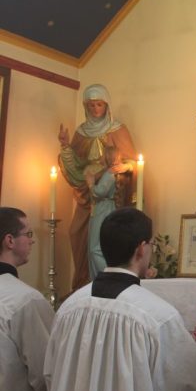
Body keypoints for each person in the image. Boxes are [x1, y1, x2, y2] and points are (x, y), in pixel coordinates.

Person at [44, 208, 196, 391]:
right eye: (151, 245)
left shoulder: (68, 308)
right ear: (141, 249)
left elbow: (52, 375)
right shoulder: (157, 315)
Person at [58, 83, 137, 289]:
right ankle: (85, 282)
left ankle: (107, 282)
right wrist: (66, 146)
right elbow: (76, 165)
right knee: (76, 233)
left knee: (104, 241)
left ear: (107, 105)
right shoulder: (81, 132)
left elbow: (133, 161)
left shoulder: (117, 129)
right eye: (91, 105)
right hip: (88, 194)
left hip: (108, 193)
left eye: (99, 104)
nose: (95, 109)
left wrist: (124, 167)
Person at [0, 207, 54, 391]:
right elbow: (47, 371)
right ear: (10, 241)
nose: (32, 241)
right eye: (28, 234)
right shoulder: (25, 300)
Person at [85, 145, 123, 281]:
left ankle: (105, 278)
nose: (100, 157)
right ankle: (102, 278)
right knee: (97, 247)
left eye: (103, 154)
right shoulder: (109, 172)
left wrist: (90, 184)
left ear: (108, 156)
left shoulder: (110, 173)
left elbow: (100, 192)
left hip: (103, 209)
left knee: (95, 248)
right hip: (104, 208)